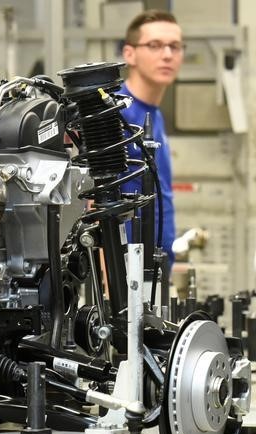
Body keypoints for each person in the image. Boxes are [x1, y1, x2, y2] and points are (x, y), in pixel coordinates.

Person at [119, 9, 184, 268]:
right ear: (129, 54)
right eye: (155, 45)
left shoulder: (155, 115)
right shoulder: (119, 114)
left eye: (175, 46)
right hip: (126, 272)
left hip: (155, 266)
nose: (167, 55)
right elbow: (94, 206)